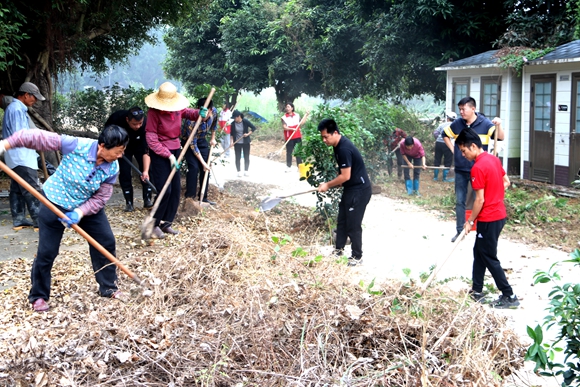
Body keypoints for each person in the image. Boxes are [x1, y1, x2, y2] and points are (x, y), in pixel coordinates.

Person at [0, 125, 129, 312]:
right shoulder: (76, 146)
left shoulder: (112, 167)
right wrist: (6, 144)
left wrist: (80, 212)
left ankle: (108, 287)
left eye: (122, 151)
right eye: (118, 151)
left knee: (106, 241)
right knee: (47, 251)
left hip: (85, 207)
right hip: (55, 201)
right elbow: (35, 136)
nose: (120, 156)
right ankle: (38, 296)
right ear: (102, 145)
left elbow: (101, 198)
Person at [456, 128, 519, 309]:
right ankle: (477, 290)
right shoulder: (493, 159)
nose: (463, 154)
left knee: (489, 256)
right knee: (479, 252)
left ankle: (509, 295)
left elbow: (480, 199)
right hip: (499, 215)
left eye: (464, 150)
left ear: (473, 146)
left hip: (489, 218)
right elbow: (506, 181)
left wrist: (469, 222)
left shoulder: (478, 167)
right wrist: (496, 194)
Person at [145, 82, 208, 239]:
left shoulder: (177, 108)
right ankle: (153, 224)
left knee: (175, 189)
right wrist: (169, 155)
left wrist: (200, 113)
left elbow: (189, 113)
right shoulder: (154, 113)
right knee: (165, 190)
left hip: (175, 148)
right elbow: (151, 139)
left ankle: (166, 223)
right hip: (160, 154)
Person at [442, 96, 504, 242]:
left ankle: (479, 229)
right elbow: (444, 134)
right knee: (460, 200)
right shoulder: (457, 124)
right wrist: (454, 151)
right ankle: (460, 231)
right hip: (461, 169)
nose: (461, 112)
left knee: (480, 199)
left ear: (473, 109)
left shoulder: (485, 123)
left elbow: (500, 137)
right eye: (460, 109)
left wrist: (499, 125)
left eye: (464, 109)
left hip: (480, 169)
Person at [317, 118, 372, 267]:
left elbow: (345, 176)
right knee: (342, 220)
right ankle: (338, 250)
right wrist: (339, 182)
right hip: (350, 188)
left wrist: (327, 185)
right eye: (322, 137)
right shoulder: (337, 145)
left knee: (353, 224)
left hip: (359, 190)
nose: (324, 140)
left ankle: (357, 256)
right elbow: (344, 174)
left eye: (326, 137)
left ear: (335, 133)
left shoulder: (343, 149)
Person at [1, 82, 44, 230]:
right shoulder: (17, 109)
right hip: (21, 156)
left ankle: (19, 219)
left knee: (17, 188)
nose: (35, 101)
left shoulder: (14, 108)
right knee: (31, 188)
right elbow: (20, 135)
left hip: (14, 156)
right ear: (26, 95)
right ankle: (40, 221)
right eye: (34, 97)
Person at [105, 106, 152, 211]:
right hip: (123, 147)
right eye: (134, 124)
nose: (138, 126)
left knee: (147, 170)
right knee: (125, 172)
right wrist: (115, 149)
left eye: (140, 123)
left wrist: (145, 171)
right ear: (127, 120)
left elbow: (146, 151)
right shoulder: (117, 119)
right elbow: (107, 135)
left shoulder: (146, 125)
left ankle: (147, 199)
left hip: (140, 146)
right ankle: (129, 202)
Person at [182, 98, 217, 205]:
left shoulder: (214, 112)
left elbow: (215, 123)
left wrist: (213, 138)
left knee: (206, 169)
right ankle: (190, 198)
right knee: (194, 167)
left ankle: (203, 198)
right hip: (188, 143)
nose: (204, 115)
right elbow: (193, 144)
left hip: (202, 141)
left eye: (207, 112)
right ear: (198, 109)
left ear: (210, 110)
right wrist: (202, 163)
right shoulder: (191, 122)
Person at [230, 110, 257, 177]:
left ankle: (246, 170)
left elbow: (253, 128)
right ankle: (238, 171)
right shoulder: (233, 124)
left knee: (246, 156)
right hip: (237, 143)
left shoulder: (245, 121)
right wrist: (231, 142)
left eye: (235, 118)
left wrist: (248, 134)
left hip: (245, 142)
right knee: (237, 157)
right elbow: (232, 134)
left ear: (239, 116)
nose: (234, 119)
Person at [432, 111, 456, 182]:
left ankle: (435, 177)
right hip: (448, 143)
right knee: (447, 160)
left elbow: (435, 132)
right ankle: (445, 178)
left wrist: (438, 139)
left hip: (439, 143)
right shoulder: (455, 126)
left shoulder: (442, 124)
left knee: (437, 159)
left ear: (448, 118)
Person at [281, 103, 302, 172]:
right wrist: (291, 129)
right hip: (289, 137)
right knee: (289, 152)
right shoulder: (284, 117)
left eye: (288, 107)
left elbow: (301, 123)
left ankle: (299, 166)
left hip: (297, 136)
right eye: (286, 107)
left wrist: (306, 116)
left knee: (298, 152)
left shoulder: (297, 115)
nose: (287, 108)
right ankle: (288, 166)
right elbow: (284, 127)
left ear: (292, 108)